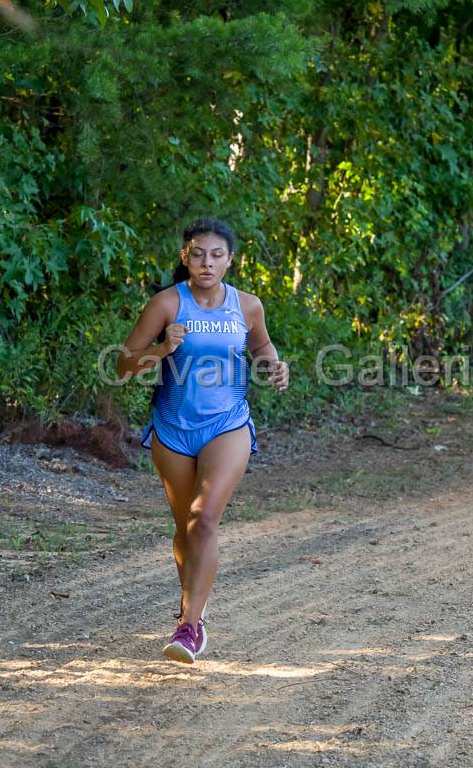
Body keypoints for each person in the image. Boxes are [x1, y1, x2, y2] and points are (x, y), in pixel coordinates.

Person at [117, 218, 288, 663]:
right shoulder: (167, 304)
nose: (206, 262)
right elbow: (121, 366)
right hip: (173, 427)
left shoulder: (248, 306)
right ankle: (191, 605)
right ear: (185, 257)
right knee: (184, 530)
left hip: (226, 423)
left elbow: (263, 347)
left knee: (203, 519)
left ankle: (190, 627)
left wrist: (273, 365)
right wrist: (159, 350)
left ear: (230, 260)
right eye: (197, 254)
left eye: (216, 255)